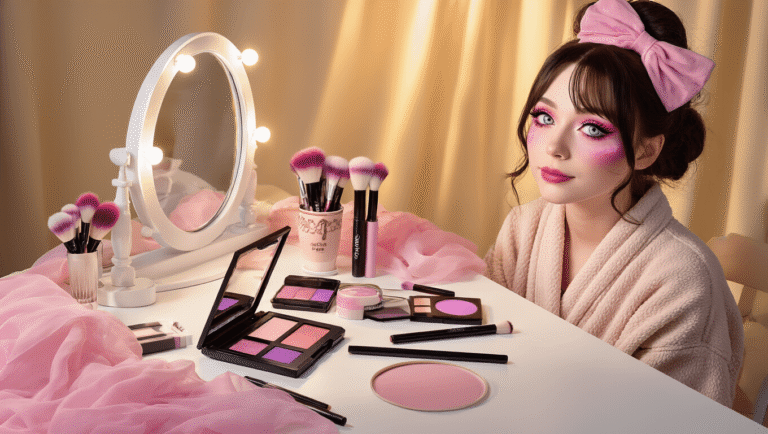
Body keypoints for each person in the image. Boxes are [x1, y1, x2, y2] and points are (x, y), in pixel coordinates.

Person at [484, 0, 743, 407]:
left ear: (644, 151)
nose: (553, 147)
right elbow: (486, 346)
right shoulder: (524, 226)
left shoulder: (682, 280)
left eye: (592, 127)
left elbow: (682, 421)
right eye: (545, 117)